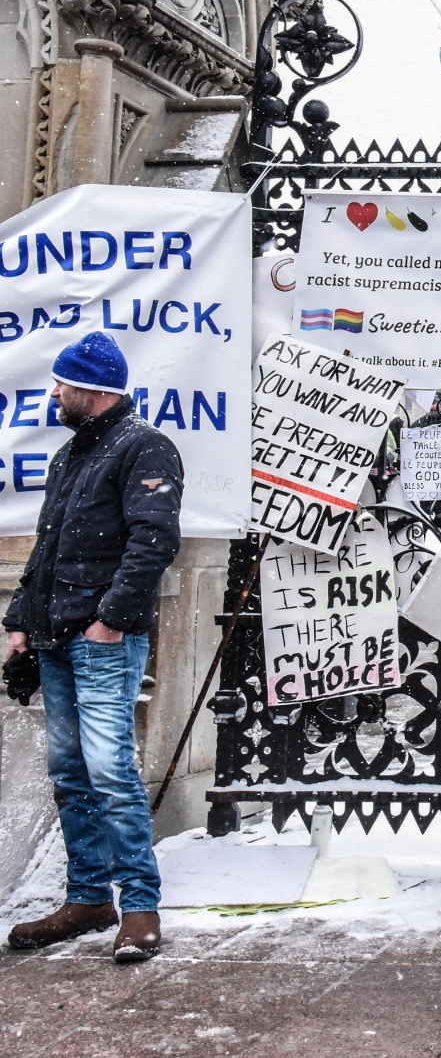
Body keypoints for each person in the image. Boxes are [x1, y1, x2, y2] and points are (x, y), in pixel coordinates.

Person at [4, 332, 181, 964]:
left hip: (100, 640)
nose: (54, 393)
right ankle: (87, 898)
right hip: (54, 636)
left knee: (109, 770)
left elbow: (154, 542)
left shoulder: (145, 446)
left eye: (62, 383)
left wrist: (109, 621)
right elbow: (47, 549)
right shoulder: (71, 454)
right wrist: (20, 620)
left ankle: (140, 907)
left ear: (92, 389)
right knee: (69, 770)